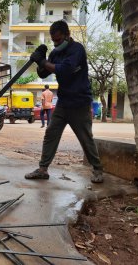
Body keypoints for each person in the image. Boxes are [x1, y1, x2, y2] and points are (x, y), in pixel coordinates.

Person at [25, 20, 104, 183]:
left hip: (80, 102)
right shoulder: (55, 53)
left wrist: (43, 62)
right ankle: (43, 169)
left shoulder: (77, 50)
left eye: (58, 40)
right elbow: (43, 74)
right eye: (53, 41)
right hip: (63, 102)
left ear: (67, 35)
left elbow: (65, 70)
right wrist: (40, 58)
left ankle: (97, 170)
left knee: (85, 138)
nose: (56, 43)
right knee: (51, 133)